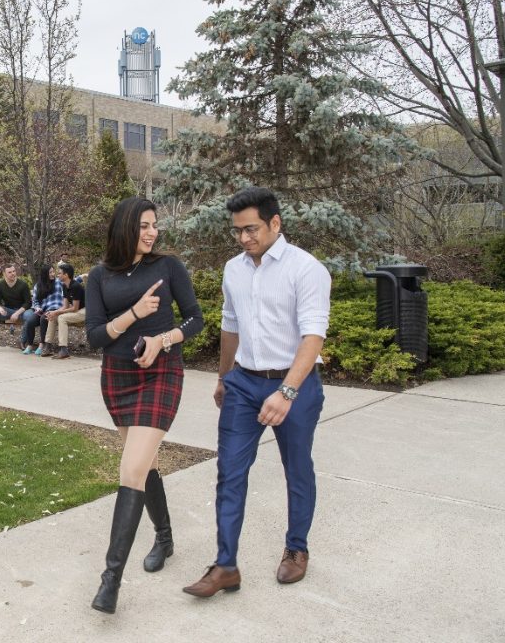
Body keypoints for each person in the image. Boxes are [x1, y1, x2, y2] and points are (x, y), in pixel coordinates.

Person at [183, 186, 331, 598]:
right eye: (237, 231)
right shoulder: (234, 269)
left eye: (251, 229)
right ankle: (225, 565)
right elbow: (230, 325)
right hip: (243, 383)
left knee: (297, 469)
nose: (244, 238)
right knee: (230, 472)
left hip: (295, 386)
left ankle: (296, 549)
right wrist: (222, 377)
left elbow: (313, 336)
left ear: (275, 223)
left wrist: (285, 392)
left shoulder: (306, 269)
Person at [85, 196, 204, 614]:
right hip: (118, 379)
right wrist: (134, 314)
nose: (153, 232)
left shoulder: (168, 267)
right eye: (144, 226)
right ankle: (165, 537)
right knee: (145, 464)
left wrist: (162, 340)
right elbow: (95, 336)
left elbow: (195, 319)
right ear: (125, 228)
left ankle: (110, 580)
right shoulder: (99, 276)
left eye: (155, 225)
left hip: (161, 374)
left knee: (132, 468)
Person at [0, 264, 33, 353]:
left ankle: (23, 342)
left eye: (14, 271)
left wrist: (17, 313)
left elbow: (28, 303)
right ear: (4, 274)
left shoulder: (23, 284)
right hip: (8, 311)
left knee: (29, 316)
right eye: (10, 272)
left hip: (22, 311)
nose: (13, 273)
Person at [42, 263, 86, 360]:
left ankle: (64, 350)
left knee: (61, 318)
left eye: (59, 273)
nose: (57, 275)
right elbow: (65, 306)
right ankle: (47, 346)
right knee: (53, 316)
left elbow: (75, 308)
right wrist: (54, 312)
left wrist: (57, 313)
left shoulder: (75, 286)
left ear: (66, 275)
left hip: (86, 311)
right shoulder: (65, 286)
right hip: (77, 309)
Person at [21, 264, 63, 355]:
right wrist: (37, 307)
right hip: (42, 310)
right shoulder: (38, 286)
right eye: (50, 272)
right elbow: (35, 300)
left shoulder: (59, 282)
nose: (53, 274)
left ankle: (42, 344)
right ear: (45, 274)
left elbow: (71, 281)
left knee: (43, 318)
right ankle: (30, 345)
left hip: (55, 310)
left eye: (53, 271)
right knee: (30, 321)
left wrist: (83, 276)